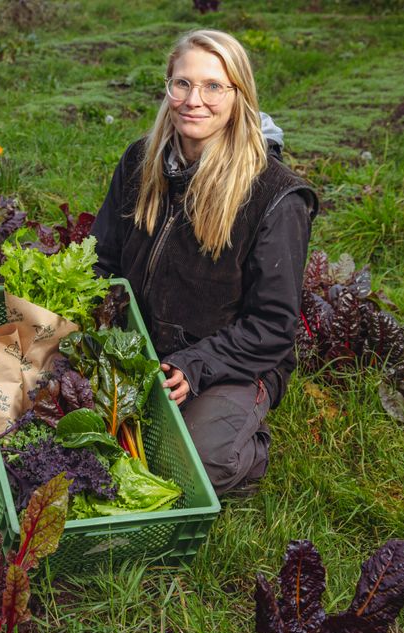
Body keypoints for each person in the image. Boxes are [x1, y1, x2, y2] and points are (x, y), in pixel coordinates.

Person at [90, 29, 319, 497]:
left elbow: (273, 325)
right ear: (168, 88)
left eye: (214, 86)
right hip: (142, 345)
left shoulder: (275, 195)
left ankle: (244, 444)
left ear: (239, 96)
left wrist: (196, 365)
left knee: (193, 464)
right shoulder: (141, 160)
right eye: (182, 84)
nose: (194, 100)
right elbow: (103, 255)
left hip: (231, 362)